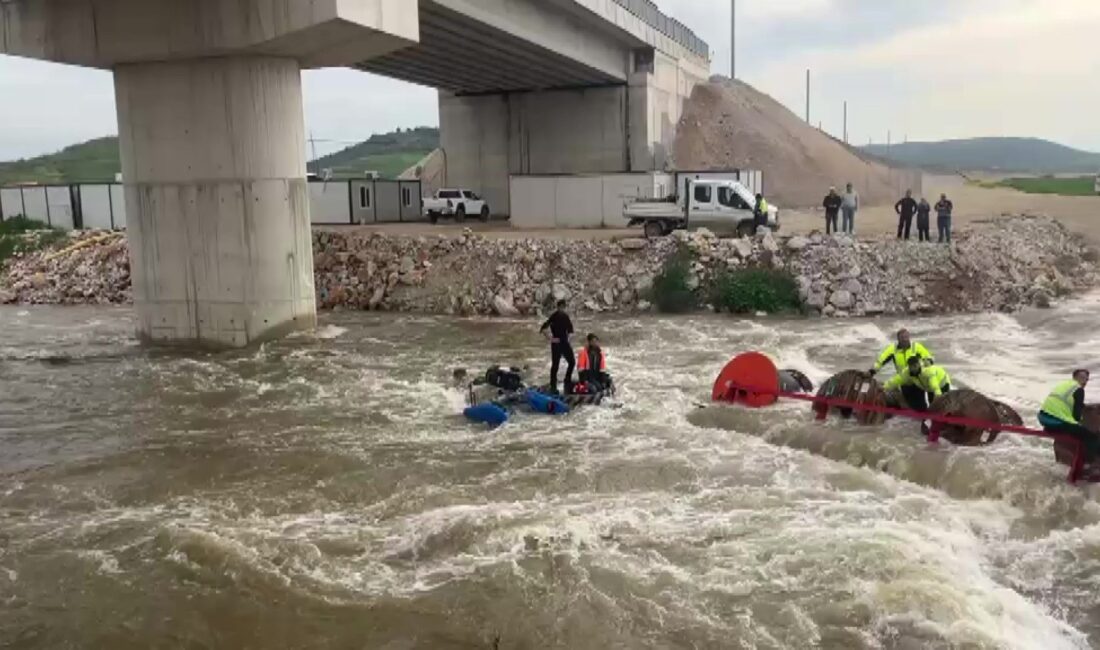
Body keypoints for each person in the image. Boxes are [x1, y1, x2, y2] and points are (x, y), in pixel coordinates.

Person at [869, 329, 935, 411]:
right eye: (902, 338)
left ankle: (929, 414)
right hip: (904, 381)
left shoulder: (916, 347)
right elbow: (881, 361)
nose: (905, 339)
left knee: (921, 406)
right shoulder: (892, 349)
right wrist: (872, 371)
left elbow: (928, 358)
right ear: (898, 339)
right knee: (910, 406)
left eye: (906, 337)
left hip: (917, 380)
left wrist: (924, 367)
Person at [1039, 370, 1099, 455]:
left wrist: (1082, 406)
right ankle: (1090, 460)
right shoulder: (1079, 389)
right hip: (1056, 421)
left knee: (1077, 430)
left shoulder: (1064, 385)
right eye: (1082, 378)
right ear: (1075, 377)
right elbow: (1076, 416)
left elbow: (1066, 402)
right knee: (1091, 437)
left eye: (1086, 379)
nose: (1085, 381)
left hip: (1044, 418)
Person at [884, 357, 952, 411]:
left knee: (942, 404)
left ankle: (947, 417)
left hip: (942, 383)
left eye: (915, 366)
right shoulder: (907, 372)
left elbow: (935, 386)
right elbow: (896, 380)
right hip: (929, 388)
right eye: (911, 367)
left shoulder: (927, 371)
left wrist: (938, 396)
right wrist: (885, 387)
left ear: (919, 364)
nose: (913, 368)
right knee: (931, 403)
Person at [539, 300, 574, 395]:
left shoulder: (566, 316)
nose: (562, 309)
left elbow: (571, 330)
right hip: (556, 343)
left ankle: (567, 380)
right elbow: (543, 329)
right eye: (561, 307)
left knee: (572, 362)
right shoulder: (554, 316)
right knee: (555, 365)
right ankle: (553, 386)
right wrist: (550, 339)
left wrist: (569, 339)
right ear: (558, 307)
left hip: (564, 342)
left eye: (563, 307)